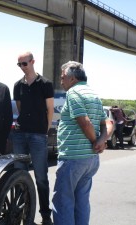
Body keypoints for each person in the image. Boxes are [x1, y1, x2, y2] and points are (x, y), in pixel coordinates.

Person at [52, 61, 114, 225]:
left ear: (72, 79)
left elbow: (84, 122)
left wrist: (96, 141)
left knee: (63, 203)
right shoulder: (92, 94)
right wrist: (101, 142)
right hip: (90, 160)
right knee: (81, 203)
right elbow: (108, 123)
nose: (61, 80)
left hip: (73, 158)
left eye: (63, 77)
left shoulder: (74, 93)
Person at [12, 51, 54, 225]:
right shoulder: (17, 85)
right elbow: (20, 109)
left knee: (41, 177)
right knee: (19, 175)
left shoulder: (45, 83)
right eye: (19, 64)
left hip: (38, 135)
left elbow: (50, 110)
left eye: (24, 64)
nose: (22, 67)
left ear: (32, 62)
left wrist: (45, 129)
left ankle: (45, 215)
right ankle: (21, 214)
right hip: (20, 135)